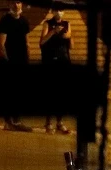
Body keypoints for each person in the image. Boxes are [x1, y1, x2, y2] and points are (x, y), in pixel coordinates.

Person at [0, 1, 32, 132]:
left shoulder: (24, 21)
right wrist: (8, 61)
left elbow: (27, 42)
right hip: (9, 64)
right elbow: (1, 45)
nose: (17, 6)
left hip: (21, 62)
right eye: (14, 2)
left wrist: (27, 59)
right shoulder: (5, 21)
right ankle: (8, 122)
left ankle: (16, 121)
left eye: (19, 2)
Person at [40, 5, 73, 134]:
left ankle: (60, 122)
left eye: (61, 10)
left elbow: (69, 37)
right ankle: (48, 123)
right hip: (50, 61)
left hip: (63, 61)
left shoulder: (67, 24)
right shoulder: (47, 24)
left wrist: (64, 33)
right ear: (52, 11)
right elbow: (42, 42)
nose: (59, 13)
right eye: (57, 10)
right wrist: (53, 32)